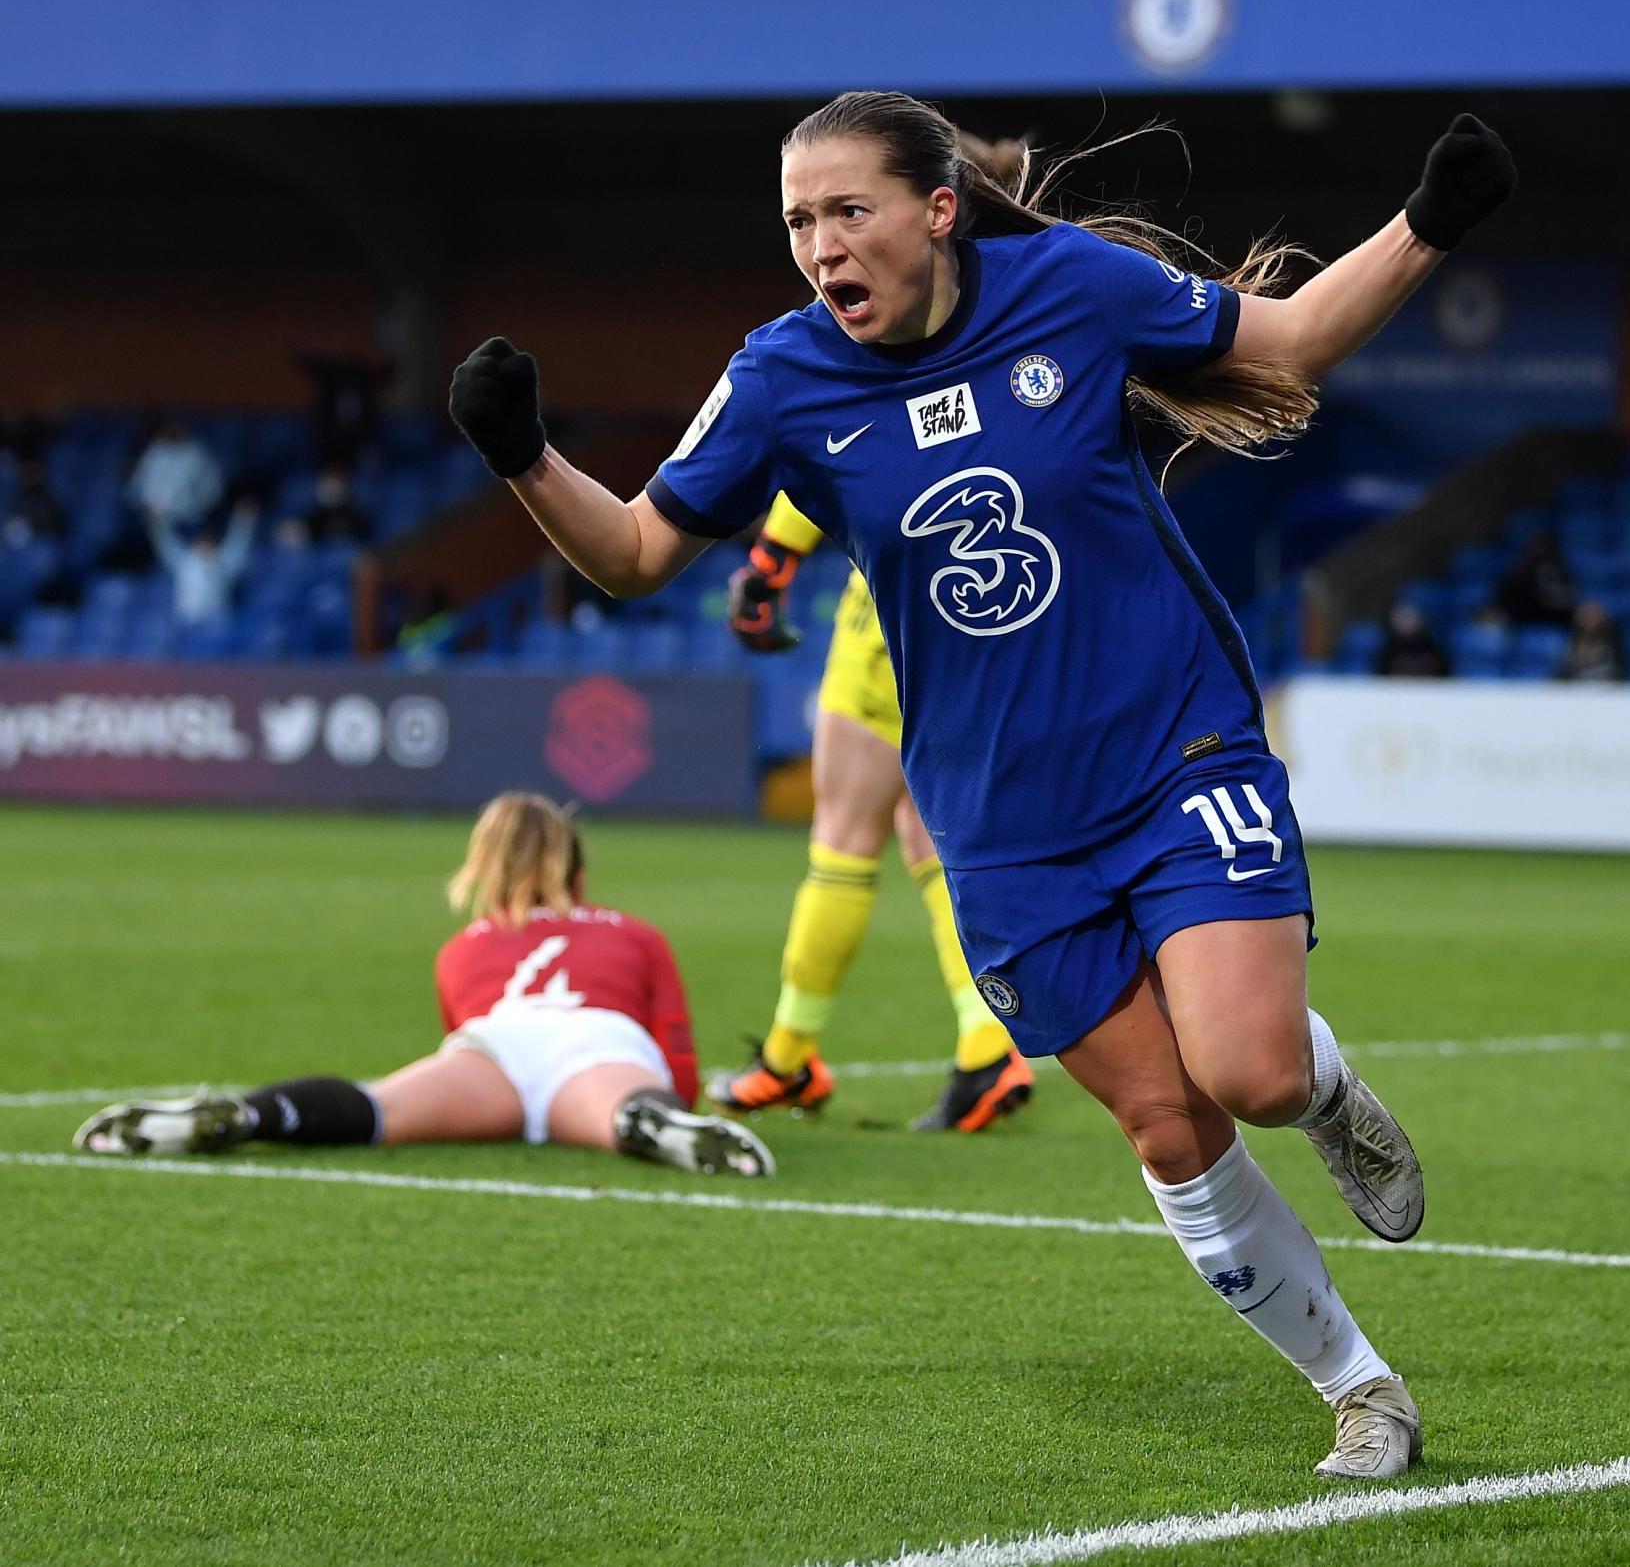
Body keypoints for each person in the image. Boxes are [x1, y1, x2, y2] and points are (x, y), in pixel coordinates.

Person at [447, 91, 1520, 1477]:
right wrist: (523, 454)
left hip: (1173, 746)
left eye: (847, 212)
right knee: (1165, 1121)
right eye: (797, 223)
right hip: (1002, 824)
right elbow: (642, 550)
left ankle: (1322, 1091)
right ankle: (1363, 1390)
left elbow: (1295, 339)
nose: (820, 246)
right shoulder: (780, 377)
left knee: (1246, 1069)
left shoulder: (1070, 287)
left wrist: (1431, 220)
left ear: (936, 209)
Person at [75, 792, 775, 1174]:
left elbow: (458, 1035)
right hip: (597, 1043)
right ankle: (652, 1126)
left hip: (495, 1045)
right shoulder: (632, 930)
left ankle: (253, 1113)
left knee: (376, 1107)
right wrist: (675, 1096)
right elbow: (678, 1061)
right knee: (627, 1111)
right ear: (580, 875)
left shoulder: (462, 948)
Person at [715, 490, 1037, 1131]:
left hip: (894, 620)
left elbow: (834, 439)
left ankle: (788, 1058)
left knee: (843, 836)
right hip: (985, 620)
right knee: (929, 836)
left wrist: (771, 561)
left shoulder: (885, 384)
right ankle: (986, 1047)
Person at [151, 497, 258, 625]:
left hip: (217, 624)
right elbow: (166, 542)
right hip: (186, 623)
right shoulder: (184, 562)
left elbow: (239, 543)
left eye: (209, 543)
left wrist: (244, 519)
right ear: (194, 544)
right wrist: (156, 521)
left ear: (215, 545)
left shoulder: (224, 563)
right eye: (201, 543)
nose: (205, 547)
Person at [129, 420, 223, 531]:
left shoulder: (196, 455)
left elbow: (213, 492)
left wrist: (180, 510)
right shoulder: (156, 449)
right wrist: (146, 505)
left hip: (187, 521)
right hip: (151, 515)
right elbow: (137, 484)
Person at [1494, 528, 1576, 628]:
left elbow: (1567, 597)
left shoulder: (1561, 571)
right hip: (1524, 617)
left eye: (1544, 546)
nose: (1540, 550)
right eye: (1537, 546)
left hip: (1556, 617)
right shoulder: (1519, 572)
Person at [1554, 599, 1628, 684]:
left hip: (1606, 689)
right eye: (1586, 615)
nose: (1590, 620)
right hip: (1575, 690)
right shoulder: (1570, 642)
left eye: (1594, 615)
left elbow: (1621, 672)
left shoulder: (1615, 643)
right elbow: (1560, 674)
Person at [1374, 599, 1449, 678]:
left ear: (1420, 620)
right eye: (1402, 618)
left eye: (1409, 618)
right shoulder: (1386, 651)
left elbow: (1443, 678)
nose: (1406, 622)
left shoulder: (1433, 650)